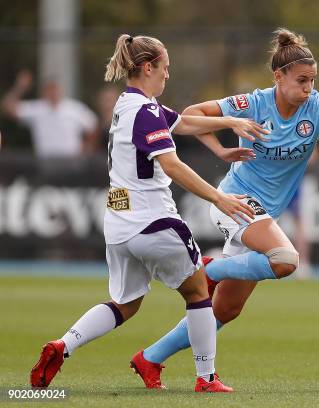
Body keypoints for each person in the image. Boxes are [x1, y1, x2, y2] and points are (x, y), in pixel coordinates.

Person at [129, 28, 319, 389]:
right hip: (235, 202)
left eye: (312, 81)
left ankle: (149, 359)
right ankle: (211, 267)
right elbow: (190, 114)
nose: (308, 88)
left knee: (225, 310)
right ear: (278, 77)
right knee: (286, 260)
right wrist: (219, 150)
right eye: (301, 81)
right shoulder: (253, 104)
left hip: (262, 216)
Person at [29, 34, 269, 393]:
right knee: (198, 291)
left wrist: (230, 124)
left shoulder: (127, 105)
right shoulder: (147, 110)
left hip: (119, 226)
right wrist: (218, 199)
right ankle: (206, 378)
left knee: (125, 304)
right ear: (147, 67)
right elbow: (171, 165)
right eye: (165, 67)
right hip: (153, 220)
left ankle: (64, 346)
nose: (167, 75)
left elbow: (183, 123)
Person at [1, 70, 99, 158]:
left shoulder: (73, 108)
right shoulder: (37, 109)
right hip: (45, 164)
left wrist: (87, 147)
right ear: (44, 91)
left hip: (71, 163)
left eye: (54, 88)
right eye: (49, 88)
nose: (52, 92)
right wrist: (20, 87)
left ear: (60, 89)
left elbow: (93, 125)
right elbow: (7, 108)